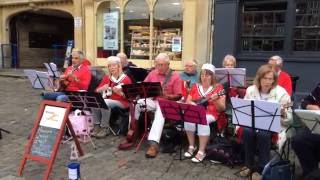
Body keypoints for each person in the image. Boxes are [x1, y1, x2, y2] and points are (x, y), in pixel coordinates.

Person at [118, 53, 183, 157]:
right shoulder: (152, 73)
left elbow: (179, 96)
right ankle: (132, 133)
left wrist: (167, 96)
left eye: (162, 64)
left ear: (168, 64)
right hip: (153, 100)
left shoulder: (175, 76)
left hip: (168, 104)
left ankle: (153, 144)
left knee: (161, 111)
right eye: (158, 64)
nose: (160, 67)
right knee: (136, 104)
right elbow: (143, 86)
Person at [239, 64, 292, 179]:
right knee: (247, 131)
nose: (268, 81)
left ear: (274, 80)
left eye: (270, 79)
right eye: (265, 78)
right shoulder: (251, 90)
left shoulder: (281, 93)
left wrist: (283, 113)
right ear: (259, 78)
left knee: (263, 133)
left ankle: (262, 168)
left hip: (273, 126)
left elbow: (289, 120)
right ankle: (248, 164)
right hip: (253, 123)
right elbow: (243, 110)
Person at [184, 63, 226, 163]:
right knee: (188, 118)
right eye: (202, 75)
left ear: (212, 76)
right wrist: (193, 104)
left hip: (212, 113)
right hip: (196, 110)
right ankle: (191, 145)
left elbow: (222, 108)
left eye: (207, 75)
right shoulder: (195, 86)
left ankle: (201, 151)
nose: (204, 77)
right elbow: (188, 101)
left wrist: (216, 100)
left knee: (203, 119)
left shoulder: (218, 88)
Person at [91, 56, 132, 138]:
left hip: (123, 102)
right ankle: (97, 125)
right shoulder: (107, 78)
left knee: (105, 102)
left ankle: (105, 127)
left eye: (113, 65)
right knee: (94, 101)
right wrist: (101, 88)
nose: (111, 68)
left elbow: (130, 97)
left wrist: (120, 93)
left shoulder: (126, 79)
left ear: (119, 66)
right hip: (109, 100)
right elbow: (96, 91)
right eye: (109, 66)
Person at [292, 83, 320, 178]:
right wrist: (310, 106)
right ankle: (310, 174)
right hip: (317, 127)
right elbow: (305, 101)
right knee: (298, 140)